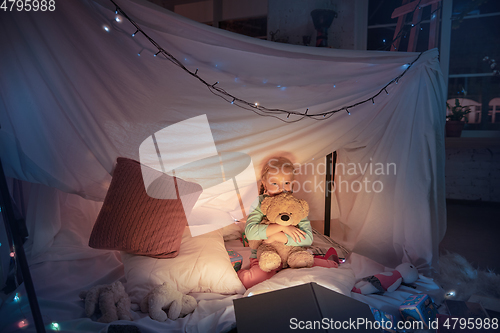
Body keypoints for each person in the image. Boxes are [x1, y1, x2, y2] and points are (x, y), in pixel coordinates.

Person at [237, 157, 313, 289]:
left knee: (307, 274)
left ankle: (330, 262)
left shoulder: (295, 205)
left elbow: (308, 239)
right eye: (274, 184)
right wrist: (283, 227)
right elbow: (250, 232)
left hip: (292, 255)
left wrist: (279, 237)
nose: (281, 189)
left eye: (287, 183)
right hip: (265, 257)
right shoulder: (259, 203)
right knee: (253, 281)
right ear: (265, 184)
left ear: (293, 183)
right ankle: (240, 274)